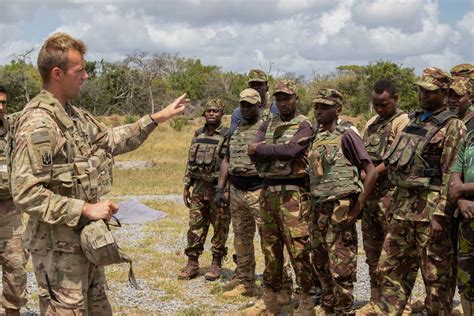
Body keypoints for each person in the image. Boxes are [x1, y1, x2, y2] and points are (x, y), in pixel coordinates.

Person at [10, 32, 188, 315]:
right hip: (58, 252)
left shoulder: (74, 115)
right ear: (57, 73)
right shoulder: (38, 124)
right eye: (80, 70)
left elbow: (111, 140)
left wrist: (156, 119)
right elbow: (26, 192)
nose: (86, 76)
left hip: (85, 242)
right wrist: (85, 208)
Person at [375, 67, 465, 315]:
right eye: (421, 90)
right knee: (389, 269)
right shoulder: (414, 120)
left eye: (430, 91)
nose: (424, 95)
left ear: (444, 92)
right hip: (403, 208)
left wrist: (441, 215)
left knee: (436, 278)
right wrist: (391, 204)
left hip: (431, 213)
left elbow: (451, 174)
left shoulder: (452, 126)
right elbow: (400, 167)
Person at [308, 88, 377, 314]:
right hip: (318, 207)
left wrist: (358, 208)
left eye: (325, 107)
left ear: (337, 110)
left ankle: (344, 309)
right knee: (319, 260)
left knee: (341, 265)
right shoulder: (317, 136)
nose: (319, 111)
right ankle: (329, 305)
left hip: (340, 207)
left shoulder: (347, 135)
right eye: (317, 107)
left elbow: (371, 171)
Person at [248, 79, 314, 314]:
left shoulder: (304, 123)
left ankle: (306, 298)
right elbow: (251, 150)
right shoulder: (268, 121)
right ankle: (274, 298)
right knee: (270, 249)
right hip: (268, 192)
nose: (283, 102)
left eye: (287, 98)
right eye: (279, 98)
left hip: (293, 194)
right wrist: (272, 151)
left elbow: (292, 150)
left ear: (296, 98)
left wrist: (264, 150)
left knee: (299, 249)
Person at [357, 80, 409, 313]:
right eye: (376, 104)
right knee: (372, 250)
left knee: (394, 254)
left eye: (384, 104)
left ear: (395, 99)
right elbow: (362, 153)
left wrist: (369, 174)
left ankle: (397, 303)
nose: (379, 109)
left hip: (390, 195)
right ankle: (375, 299)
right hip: (370, 195)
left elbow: (394, 158)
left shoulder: (403, 122)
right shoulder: (371, 123)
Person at [178, 98, 230, 281]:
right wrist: (186, 185)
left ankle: (216, 263)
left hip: (218, 188)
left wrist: (224, 190)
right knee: (195, 226)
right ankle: (192, 263)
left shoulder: (226, 135)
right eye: (209, 111)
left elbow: (228, 163)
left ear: (221, 114)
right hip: (199, 187)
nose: (211, 114)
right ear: (204, 113)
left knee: (220, 226)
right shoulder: (198, 134)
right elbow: (189, 161)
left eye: (215, 111)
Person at [0, 85, 28, 316]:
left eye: (4, 103)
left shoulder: (13, 129)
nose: (0, 107)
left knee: (16, 264)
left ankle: (12, 311)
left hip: (10, 210)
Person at [448, 123, 474, 315]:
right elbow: (455, 169)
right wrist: (461, 199)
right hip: (468, 212)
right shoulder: (470, 136)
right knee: (466, 275)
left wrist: (462, 189)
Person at [229, 69, 278, 134]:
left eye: (259, 85)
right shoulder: (238, 113)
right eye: (252, 85)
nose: (256, 88)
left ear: (267, 87)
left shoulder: (275, 109)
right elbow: (232, 135)